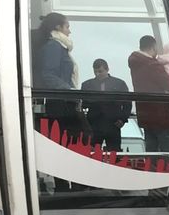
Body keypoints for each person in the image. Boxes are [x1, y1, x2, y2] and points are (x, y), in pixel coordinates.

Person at [32, 12, 87, 140]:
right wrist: (70, 91)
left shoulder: (58, 46)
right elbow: (49, 75)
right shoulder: (54, 46)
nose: (70, 31)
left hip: (61, 101)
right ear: (58, 27)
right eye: (67, 27)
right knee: (81, 137)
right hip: (60, 104)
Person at [127, 35, 169, 153]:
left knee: (151, 151)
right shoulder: (152, 65)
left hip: (145, 113)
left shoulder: (135, 63)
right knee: (166, 152)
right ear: (153, 47)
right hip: (161, 114)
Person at [80, 59, 131, 151]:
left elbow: (127, 103)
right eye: (95, 72)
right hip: (94, 125)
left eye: (100, 71)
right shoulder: (86, 85)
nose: (97, 74)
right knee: (92, 153)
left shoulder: (119, 84)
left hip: (113, 124)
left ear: (107, 69)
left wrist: (122, 120)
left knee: (114, 153)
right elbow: (83, 104)